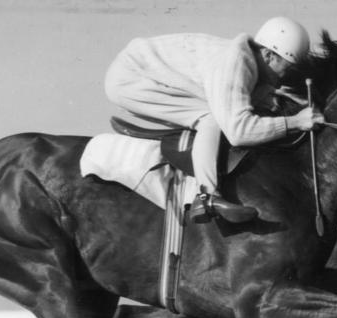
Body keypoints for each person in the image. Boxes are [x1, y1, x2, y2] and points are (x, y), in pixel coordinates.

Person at [104, 17, 324, 224]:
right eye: (289, 66)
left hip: (142, 71)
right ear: (268, 55)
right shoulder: (235, 64)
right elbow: (239, 132)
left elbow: (257, 95)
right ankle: (206, 196)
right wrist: (295, 122)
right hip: (130, 78)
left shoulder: (248, 62)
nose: (287, 76)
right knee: (211, 118)